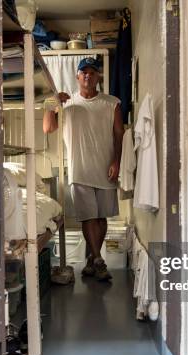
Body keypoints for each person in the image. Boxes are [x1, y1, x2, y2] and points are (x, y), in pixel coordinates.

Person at [43, 57, 124, 281]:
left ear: (98, 77)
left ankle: (91, 262)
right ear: (77, 77)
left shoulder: (112, 103)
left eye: (92, 72)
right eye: (83, 72)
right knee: (88, 217)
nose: (88, 75)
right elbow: (48, 128)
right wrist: (51, 104)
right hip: (80, 169)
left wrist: (117, 161)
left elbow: (119, 135)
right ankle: (99, 260)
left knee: (101, 217)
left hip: (106, 167)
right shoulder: (66, 103)